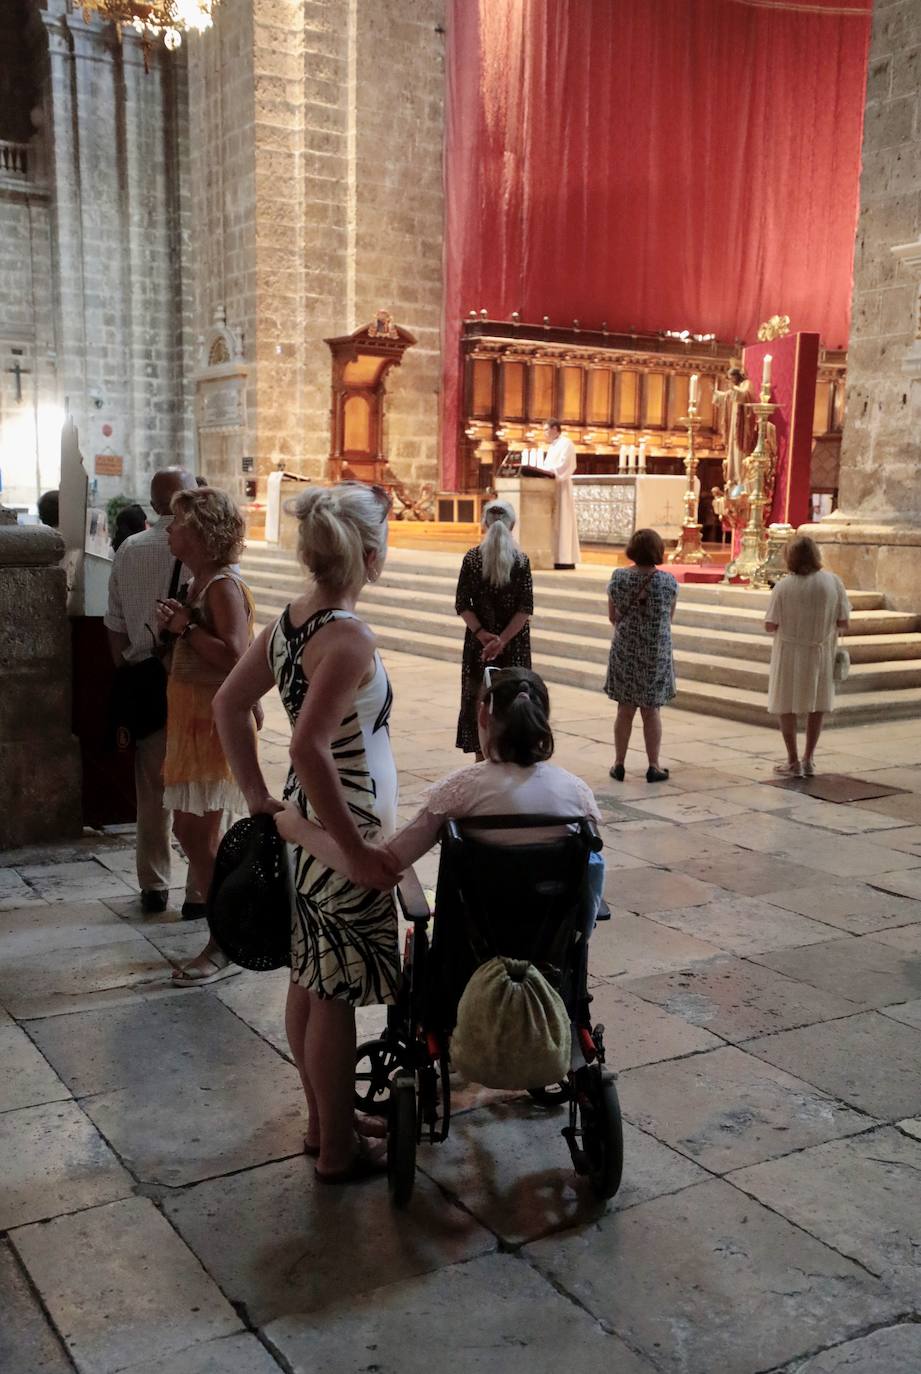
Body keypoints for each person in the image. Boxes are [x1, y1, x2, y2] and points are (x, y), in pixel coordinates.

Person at [212, 481, 402, 1183]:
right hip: (339, 826)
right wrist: (354, 849)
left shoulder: (292, 621)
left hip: (307, 819)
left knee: (309, 979)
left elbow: (230, 704)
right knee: (335, 994)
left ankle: (327, 1121)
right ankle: (338, 1153)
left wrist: (262, 799)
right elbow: (309, 747)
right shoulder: (348, 636)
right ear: (371, 558)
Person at [155, 486, 255, 983]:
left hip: (211, 723)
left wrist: (185, 630)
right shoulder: (199, 582)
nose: (169, 531)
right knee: (190, 833)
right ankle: (227, 933)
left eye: (176, 524)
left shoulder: (221, 586)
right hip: (191, 718)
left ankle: (225, 943)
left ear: (198, 532)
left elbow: (240, 657)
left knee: (201, 836)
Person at [104, 466, 198, 913]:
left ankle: (155, 885)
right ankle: (200, 892)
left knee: (152, 790)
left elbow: (115, 625)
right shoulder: (206, 551)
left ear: (154, 503)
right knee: (200, 789)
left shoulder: (129, 548)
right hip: (193, 681)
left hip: (144, 679)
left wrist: (128, 669)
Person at [764, 535, 850, 777]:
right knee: (817, 705)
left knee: (786, 705)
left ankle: (792, 760)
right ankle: (809, 759)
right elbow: (844, 621)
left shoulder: (783, 586)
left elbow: (771, 625)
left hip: (789, 652)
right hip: (820, 651)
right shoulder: (833, 582)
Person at [454, 500, 533, 756]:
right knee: (513, 699)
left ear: (484, 524)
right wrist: (503, 641)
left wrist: (482, 635)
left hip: (480, 645)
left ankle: (481, 757)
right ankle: (510, 755)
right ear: (513, 525)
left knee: (481, 699)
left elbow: (463, 604)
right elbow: (525, 609)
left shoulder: (472, 558)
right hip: (514, 645)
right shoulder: (521, 561)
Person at [604, 528, 677, 783]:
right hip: (655, 652)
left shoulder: (619, 577)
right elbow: (668, 618)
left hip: (625, 649)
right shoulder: (668, 582)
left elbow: (613, 617)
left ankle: (619, 764)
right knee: (651, 710)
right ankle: (653, 765)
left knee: (624, 709)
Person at [542, 419, 580, 568]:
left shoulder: (566, 443)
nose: (544, 434)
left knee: (563, 521)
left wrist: (551, 473)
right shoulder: (552, 446)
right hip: (551, 487)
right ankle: (555, 556)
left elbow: (565, 464)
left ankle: (565, 559)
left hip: (561, 486)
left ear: (555, 429)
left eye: (546, 430)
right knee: (555, 523)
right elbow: (547, 466)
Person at [712, 367, 754, 490]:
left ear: (737, 376)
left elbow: (744, 395)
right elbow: (726, 397)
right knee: (732, 454)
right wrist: (718, 394)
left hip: (741, 427)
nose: (730, 381)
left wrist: (733, 389)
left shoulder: (746, 384)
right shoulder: (735, 387)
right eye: (729, 379)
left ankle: (740, 484)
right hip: (733, 428)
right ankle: (733, 483)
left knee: (739, 454)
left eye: (732, 378)